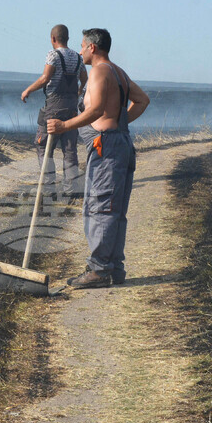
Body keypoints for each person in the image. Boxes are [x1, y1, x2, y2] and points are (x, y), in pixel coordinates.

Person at [46, 28, 150, 288]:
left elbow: (95, 110)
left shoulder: (100, 72)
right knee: (114, 211)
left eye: (82, 46)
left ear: (92, 47)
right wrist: (119, 123)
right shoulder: (119, 72)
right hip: (121, 143)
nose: (80, 51)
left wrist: (64, 126)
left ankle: (99, 270)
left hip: (108, 148)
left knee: (101, 208)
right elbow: (142, 100)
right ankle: (114, 268)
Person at [21, 24, 87, 197]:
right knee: (70, 148)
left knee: (43, 146)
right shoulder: (78, 57)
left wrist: (28, 90)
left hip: (53, 109)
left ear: (53, 39)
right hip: (72, 109)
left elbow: (45, 78)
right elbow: (85, 79)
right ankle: (71, 190)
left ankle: (49, 189)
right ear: (68, 38)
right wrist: (77, 93)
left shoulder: (53, 55)